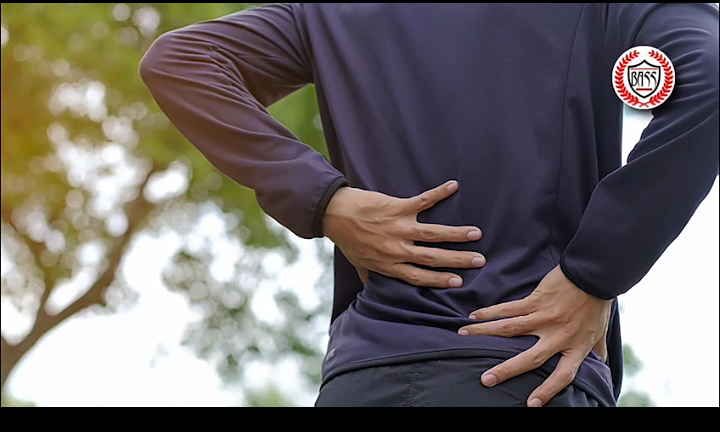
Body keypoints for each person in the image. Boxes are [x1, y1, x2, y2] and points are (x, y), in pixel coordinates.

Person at [139, 3, 719, 407]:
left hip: (363, 382)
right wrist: (594, 273)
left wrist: (326, 201)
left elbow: (181, 60)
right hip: (524, 372)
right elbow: (710, 71)